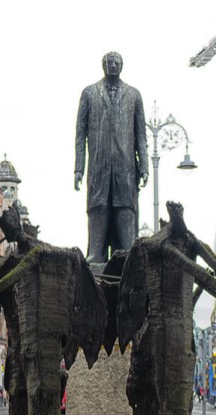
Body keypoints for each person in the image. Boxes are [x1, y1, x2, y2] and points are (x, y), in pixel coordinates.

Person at [74, 51, 148, 268]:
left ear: (122, 65)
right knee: (98, 207)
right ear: (103, 65)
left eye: (116, 63)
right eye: (109, 63)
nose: (113, 66)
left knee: (125, 208)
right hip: (98, 164)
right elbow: (80, 134)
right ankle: (95, 256)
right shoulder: (89, 93)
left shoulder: (134, 95)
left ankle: (127, 256)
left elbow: (141, 136)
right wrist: (78, 168)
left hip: (125, 166)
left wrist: (144, 166)